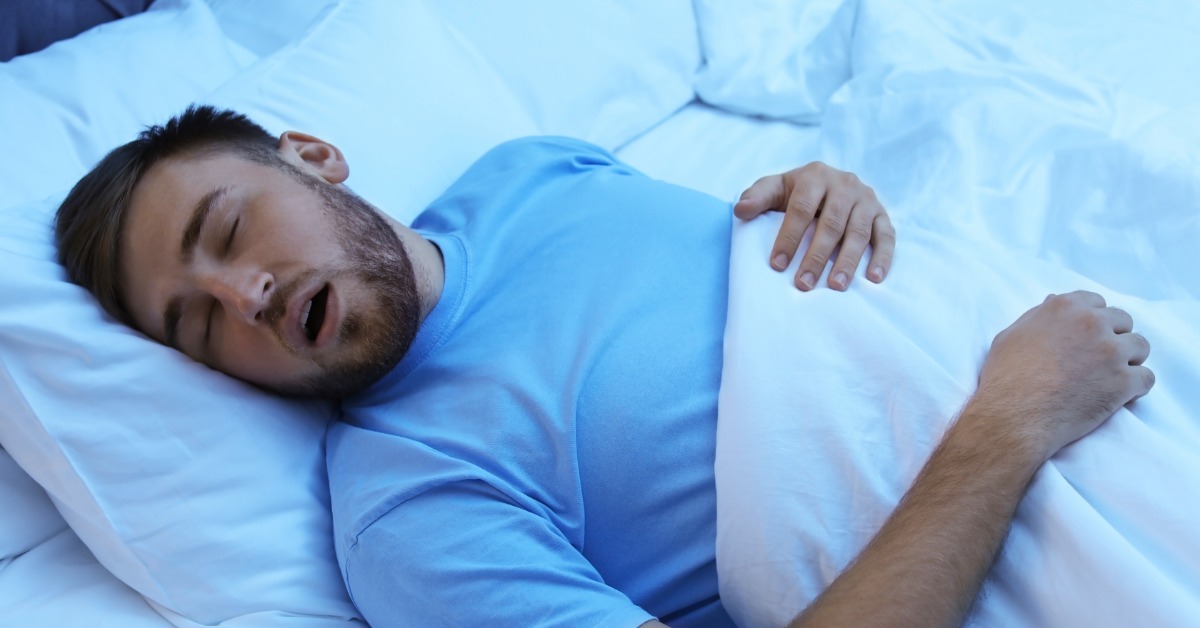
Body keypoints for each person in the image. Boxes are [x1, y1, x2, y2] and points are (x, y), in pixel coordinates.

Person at [54, 106, 1153, 627]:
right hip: (1038, 465)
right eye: (200, 328)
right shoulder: (411, 509)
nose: (243, 296)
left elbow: (748, 290)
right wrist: (1014, 418)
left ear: (315, 156)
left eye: (232, 230)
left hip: (1095, 354)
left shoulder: (531, 167)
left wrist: (836, 198)